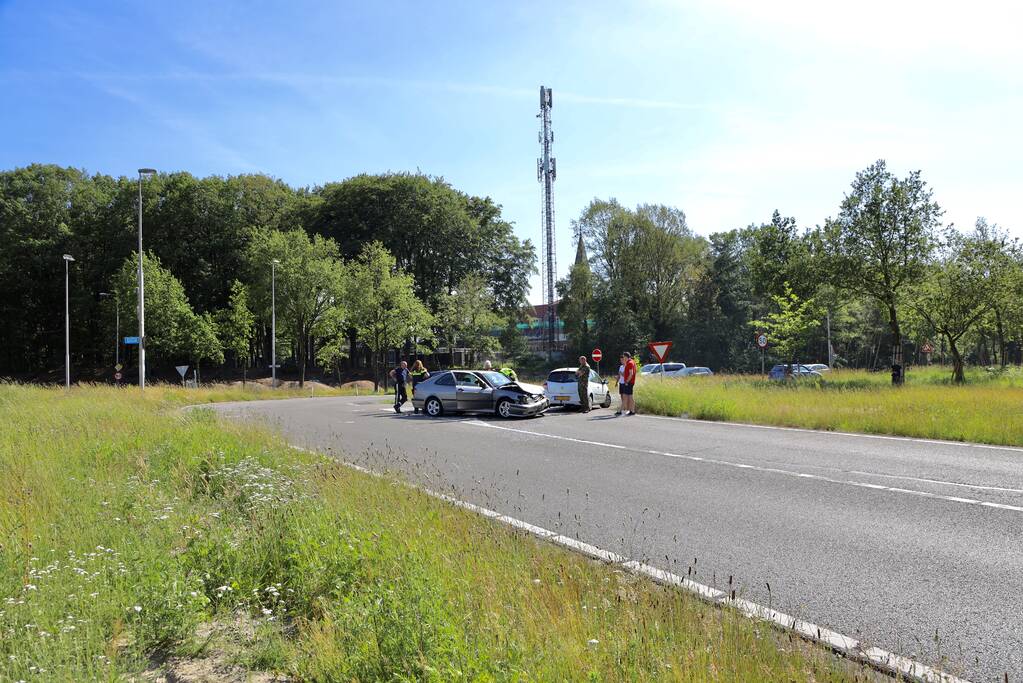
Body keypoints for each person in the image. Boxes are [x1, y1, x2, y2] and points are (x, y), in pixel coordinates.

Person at [619, 351, 638, 416]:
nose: (623, 358)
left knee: (626, 396)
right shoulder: (632, 362)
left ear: (626, 357)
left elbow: (631, 373)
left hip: (629, 382)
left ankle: (622, 411)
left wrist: (627, 381)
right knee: (629, 396)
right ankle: (631, 410)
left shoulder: (630, 363)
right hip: (630, 382)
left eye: (623, 356)